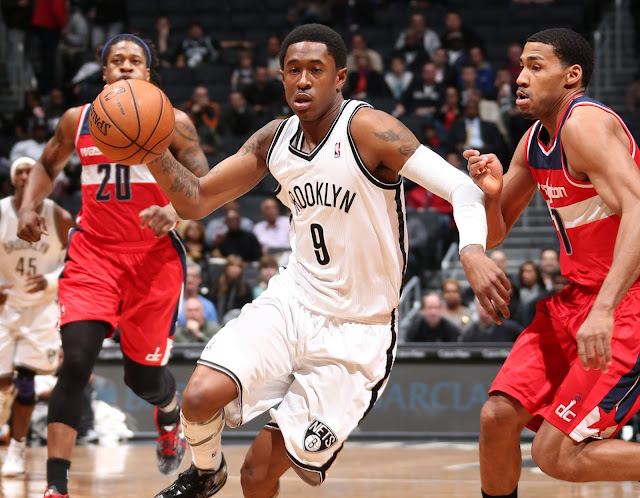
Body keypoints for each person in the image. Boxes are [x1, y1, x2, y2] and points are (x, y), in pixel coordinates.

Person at [147, 24, 509, 498]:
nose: (303, 80)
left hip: (357, 329)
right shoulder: (273, 140)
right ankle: (205, 471)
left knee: (257, 474)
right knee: (197, 398)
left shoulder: (368, 129)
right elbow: (196, 199)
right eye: (293, 70)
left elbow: (461, 186)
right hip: (292, 302)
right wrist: (150, 150)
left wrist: (472, 250)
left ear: (339, 77)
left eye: (315, 70)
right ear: (280, 77)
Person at [16, 34, 211, 498]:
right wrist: (28, 206)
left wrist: (176, 210)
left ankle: (168, 413)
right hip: (94, 255)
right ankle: (56, 487)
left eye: (134, 60)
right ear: (104, 72)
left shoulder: (175, 122)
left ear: (148, 72)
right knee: (75, 360)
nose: (125, 66)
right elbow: (46, 165)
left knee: (141, 378)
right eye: (116, 60)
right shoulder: (77, 120)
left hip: (152, 260)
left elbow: (205, 182)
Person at [464, 28, 640, 498]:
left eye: (535, 66)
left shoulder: (585, 125)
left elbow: (639, 209)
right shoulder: (532, 141)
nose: (520, 77)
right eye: (521, 66)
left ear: (571, 76)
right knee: (498, 416)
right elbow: (496, 232)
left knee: (555, 455)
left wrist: (604, 309)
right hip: (576, 299)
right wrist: (491, 194)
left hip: (626, 301)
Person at [0, 157, 74, 478]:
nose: (26, 175)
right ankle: (5, 410)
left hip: (41, 308)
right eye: (20, 171)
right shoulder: (1, 212)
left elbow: (78, 259)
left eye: (32, 170)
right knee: (3, 382)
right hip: (5, 307)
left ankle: (16, 449)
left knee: (27, 382)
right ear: (12, 179)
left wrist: (52, 280)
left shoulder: (59, 216)